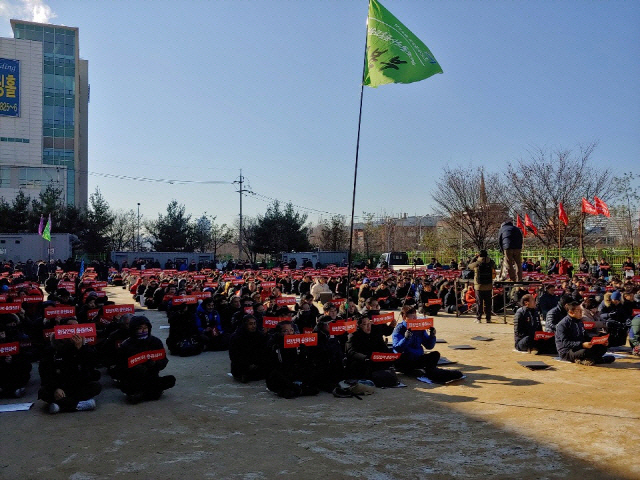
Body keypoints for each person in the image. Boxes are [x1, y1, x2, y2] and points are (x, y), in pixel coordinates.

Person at [38, 326, 102, 414]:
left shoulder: (84, 347)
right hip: (59, 387)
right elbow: (45, 373)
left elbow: (91, 368)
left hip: (77, 385)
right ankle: (79, 405)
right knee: (43, 392)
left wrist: (81, 349)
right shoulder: (51, 350)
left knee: (95, 386)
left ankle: (60, 406)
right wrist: (55, 388)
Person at [392, 306, 462, 383]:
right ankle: (425, 371)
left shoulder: (419, 328)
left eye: (416, 316)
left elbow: (429, 346)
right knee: (407, 356)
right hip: (405, 359)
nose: (415, 318)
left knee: (435, 354)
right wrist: (406, 338)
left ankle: (429, 371)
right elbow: (397, 348)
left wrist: (432, 336)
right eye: (412, 316)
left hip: (418, 357)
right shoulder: (399, 328)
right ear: (405, 317)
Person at [117, 315, 176, 403]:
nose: (143, 330)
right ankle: (143, 393)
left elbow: (164, 360)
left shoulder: (155, 341)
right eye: (140, 328)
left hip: (151, 376)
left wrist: (155, 364)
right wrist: (135, 368)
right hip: (133, 378)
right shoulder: (126, 344)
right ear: (133, 329)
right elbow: (120, 367)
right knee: (127, 386)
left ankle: (143, 394)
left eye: (146, 328)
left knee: (170, 380)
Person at [555, 302, 614, 366]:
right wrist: (582, 345)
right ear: (571, 312)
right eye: (578, 311)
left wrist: (599, 341)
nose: (581, 313)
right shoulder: (562, 324)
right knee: (585, 352)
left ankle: (590, 359)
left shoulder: (580, 322)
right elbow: (566, 343)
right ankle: (598, 360)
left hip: (580, 347)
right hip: (567, 351)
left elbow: (585, 336)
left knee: (602, 347)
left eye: (581, 310)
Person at [228, 315, 268, 383]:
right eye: (250, 324)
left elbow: (263, 350)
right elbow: (234, 355)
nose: (253, 326)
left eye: (254, 323)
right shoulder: (237, 337)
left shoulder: (259, 335)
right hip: (242, 364)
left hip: (257, 363)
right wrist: (247, 364)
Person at [467, 250, 497, 323]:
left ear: (479, 255)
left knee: (479, 303)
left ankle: (478, 318)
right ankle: (488, 318)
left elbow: (469, 266)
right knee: (488, 303)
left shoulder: (477, 263)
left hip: (479, 286)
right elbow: (495, 265)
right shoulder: (491, 263)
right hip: (489, 285)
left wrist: (475, 257)